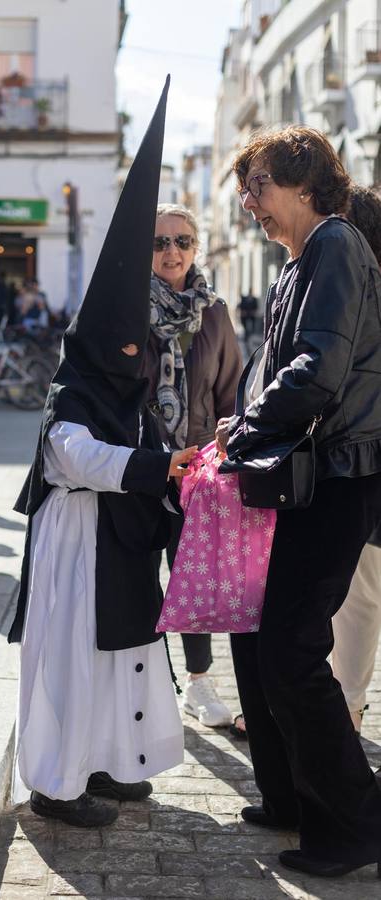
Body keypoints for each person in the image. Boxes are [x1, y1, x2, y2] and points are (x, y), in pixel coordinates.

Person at [8, 78, 193, 829]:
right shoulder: (73, 388)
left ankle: (114, 763)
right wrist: (154, 468)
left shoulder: (127, 388)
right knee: (74, 665)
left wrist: (175, 464)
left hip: (116, 544)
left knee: (123, 658)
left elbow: (144, 443)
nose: (127, 355)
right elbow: (73, 456)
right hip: (75, 542)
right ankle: (56, 782)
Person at [216, 126, 381, 879]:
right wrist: (242, 418)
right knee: (268, 641)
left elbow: (317, 371)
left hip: (339, 477)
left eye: (255, 185)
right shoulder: (300, 258)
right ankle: (292, 798)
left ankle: (354, 825)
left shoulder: (335, 245)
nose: (247, 202)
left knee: (290, 648)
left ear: (302, 178)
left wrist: (248, 422)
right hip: (310, 474)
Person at [142, 204, 242, 728]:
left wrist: (224, 460)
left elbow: (231, 395)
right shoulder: (126, 309)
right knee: (138, 577)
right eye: (160, 243)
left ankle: (198, 683)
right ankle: (145, 679)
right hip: (138, 468)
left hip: (196, 471)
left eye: (182, 241)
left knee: (191, 577)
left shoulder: (216, 312)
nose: (171, 252)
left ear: (196, 248)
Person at [331, 184, 381, 735]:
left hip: (363, 467)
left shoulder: (357, 295)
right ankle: (346, 705)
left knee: (359, 598)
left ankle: (347, 708)